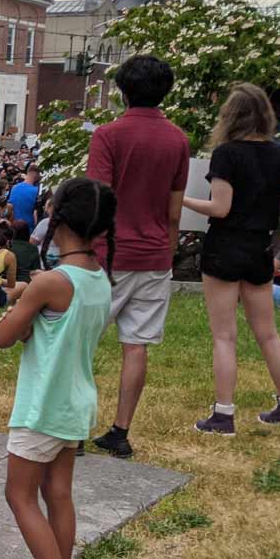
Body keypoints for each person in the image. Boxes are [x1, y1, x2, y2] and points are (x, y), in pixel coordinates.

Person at [0, 177, 116, 559]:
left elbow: (4, 337)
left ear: (55, 218)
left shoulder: (50, 281)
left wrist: (18, 305)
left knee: (18, 495)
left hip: (42, 405)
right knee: (57, 494)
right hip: (75, 403)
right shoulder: (98, 279)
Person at [183, 84, 280, 433]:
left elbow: (220, 208)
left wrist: (184, 203)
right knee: (268, 333)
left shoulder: (226, 154)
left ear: (230, 116)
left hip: (225, 246)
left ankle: (223, 414)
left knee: (224, 335)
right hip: (260, 248)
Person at [86, 55, 191, 459]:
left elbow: (98, 200)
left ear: (122, 90)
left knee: (81, 342)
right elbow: (175, 208)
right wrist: (168, 248)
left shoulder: (108, 135)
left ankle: (74, 428)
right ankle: (120, 430)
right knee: (136, 344)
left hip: (109, 254)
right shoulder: (178, 140)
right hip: (155, 253)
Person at [8, 163, 42, 230]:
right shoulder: (36, 191)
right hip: (28, 228)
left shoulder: (14, 188)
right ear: (36, 174)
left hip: (14, 226)